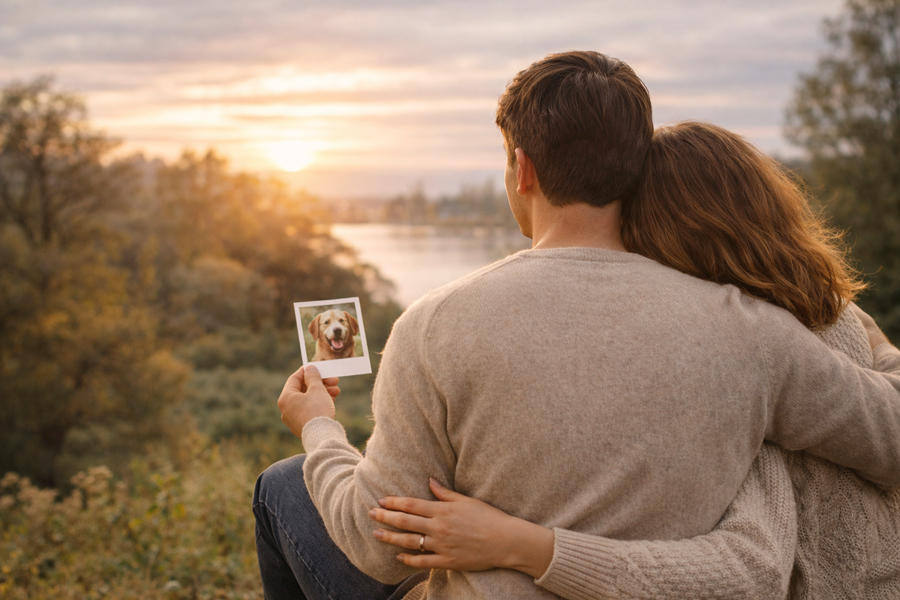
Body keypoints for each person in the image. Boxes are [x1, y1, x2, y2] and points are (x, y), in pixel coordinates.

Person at [254, 52, 900, 600]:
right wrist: (863, 334)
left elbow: (380, 547)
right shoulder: (756, 330)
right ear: (636, 162)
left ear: (523, 167)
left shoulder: (435, 324)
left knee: (284, 485)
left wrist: (319, 426)